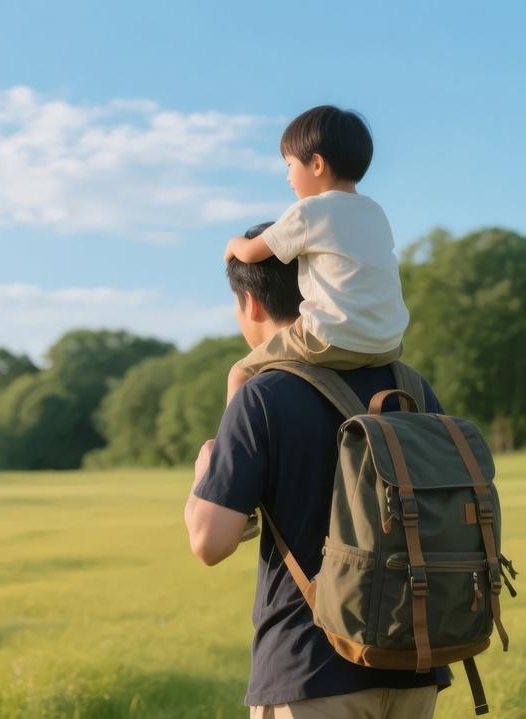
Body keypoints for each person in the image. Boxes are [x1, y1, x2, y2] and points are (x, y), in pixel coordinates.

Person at [183, 251, 451, 718]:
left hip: (308, 671)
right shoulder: (410, 385)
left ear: (251, 302)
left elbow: (210, 542)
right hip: (415, 663)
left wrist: (207, 471)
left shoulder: (262, 394)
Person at [222, 104, 410, 405]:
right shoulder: (375, 212)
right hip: (388, 345)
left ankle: (227, 434)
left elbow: (251, 253)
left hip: (331, 340)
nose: (288, 177)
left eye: (289, 165)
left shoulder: (309, 211)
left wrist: (233, 244)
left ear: (317, 164)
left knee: (239, 374)